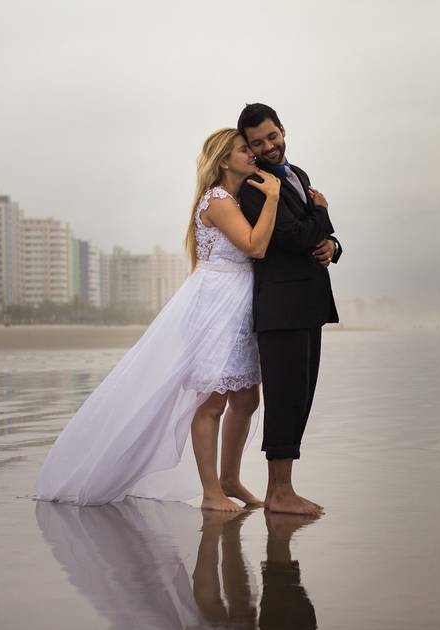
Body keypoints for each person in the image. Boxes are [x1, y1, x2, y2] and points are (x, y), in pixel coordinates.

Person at [35, 128, 281, 512]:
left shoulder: (236, 198)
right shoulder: (217, 200)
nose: (253, 154)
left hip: (238, 304)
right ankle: (211, 490)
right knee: (212, 400)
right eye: (244, 149)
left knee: (247, 398)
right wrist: (274, 197)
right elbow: (255, 245)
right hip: (216, 305)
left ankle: (231, 478)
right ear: (223, 160)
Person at [237, 103, 341, 516]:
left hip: (308, 304)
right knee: (283, 398)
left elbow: (321, 238)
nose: (267, 147)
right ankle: (278, 492)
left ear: (282, 130)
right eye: (256, 143)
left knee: (302, 396)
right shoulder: (253, 186)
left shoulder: (300, 176)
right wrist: (322, 211)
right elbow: (291, 238)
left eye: (271, 137)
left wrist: (334, 246)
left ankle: (285, 488)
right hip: (279, 307)